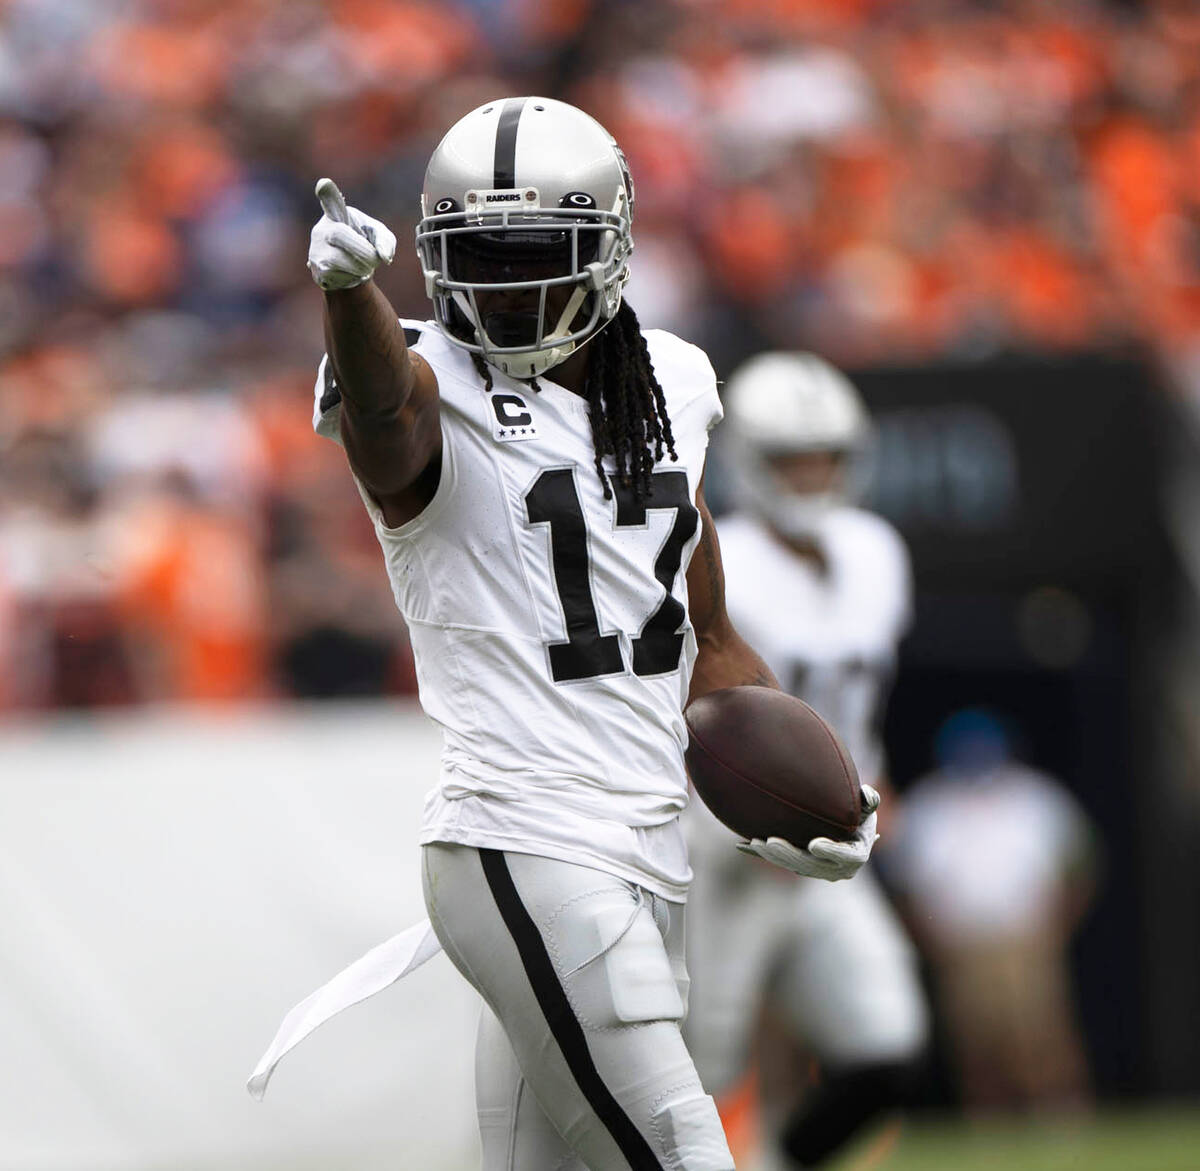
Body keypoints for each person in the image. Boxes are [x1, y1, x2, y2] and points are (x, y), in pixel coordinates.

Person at [286, 97, 880, 1171]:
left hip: (648, 839)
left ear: (607, 249)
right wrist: (350, 296)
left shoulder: (676, 379)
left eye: (536, 256)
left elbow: (705, 624)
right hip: (527, 839)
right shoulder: (417, 375)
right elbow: (387, 422)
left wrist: (796, 775)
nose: (506, 289)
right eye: (479, 257)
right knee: (683, 1153)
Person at [684, 352, 928, 1169]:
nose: (810, 473)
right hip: (725, 848)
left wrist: (871, 772)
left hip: (831, 845)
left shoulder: (875, 551)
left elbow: (861, 702)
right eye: (791, 456)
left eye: (824, 454)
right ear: (751, 458)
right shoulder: (725, 561)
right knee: (692, 1073)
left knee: (886, 1046)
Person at [890, 709, 1097, 1114]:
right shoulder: (929, 806)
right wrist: (928, 939)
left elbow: (1081, 866)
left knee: (1040, 1034)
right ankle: (990, 1128)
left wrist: (1056, 928)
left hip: (1025, 939)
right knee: (976, 1041)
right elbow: (905, 887)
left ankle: (1062, 1120)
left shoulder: (1035, 798)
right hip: (962, 945)